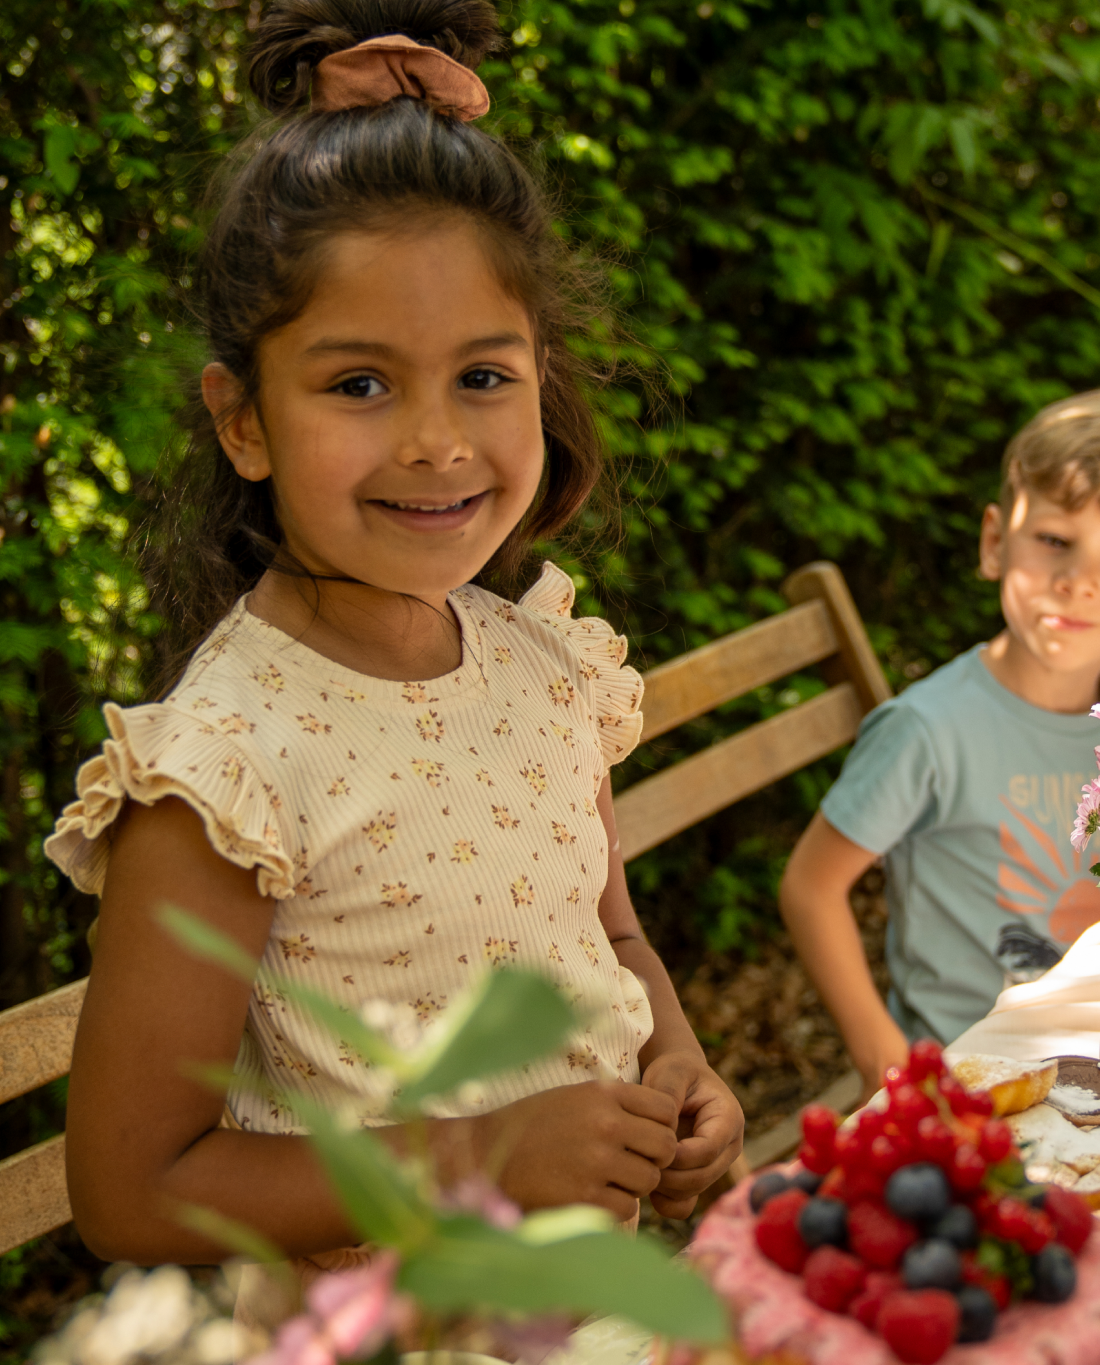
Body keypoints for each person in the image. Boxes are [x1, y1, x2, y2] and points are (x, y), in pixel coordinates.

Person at [43, 0, 742, 1279]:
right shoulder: (227, 770)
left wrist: (676, 1068)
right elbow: (134, 1192)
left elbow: (614, 942)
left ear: (543, 376)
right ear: (242, 422)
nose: (433, 440)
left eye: (482, 376)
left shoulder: (542, 662)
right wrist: (480, 1158)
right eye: (359, 384)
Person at [780, 391, 1100, 1102]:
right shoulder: (929, 730)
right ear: (995, 542)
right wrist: (887, 1065)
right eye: (1055, 540)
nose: (1080, 581)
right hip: (972, 1080)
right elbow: (811, 886)